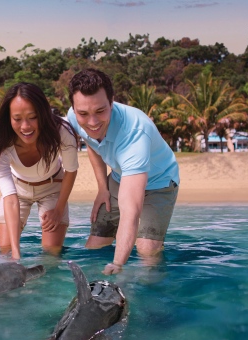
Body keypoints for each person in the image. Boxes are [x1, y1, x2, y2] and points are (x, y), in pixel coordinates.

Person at [67, 69, 180, 275]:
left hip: (159, 183)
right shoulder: (73, 117)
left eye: (100, 111)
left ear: (112, 103)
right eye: (83, 113)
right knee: (94, 244)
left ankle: (152, 297)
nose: (92, 122)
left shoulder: (134, 132)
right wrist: (103, 188)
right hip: (119, 178)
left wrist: (118, 264)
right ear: (74, 109)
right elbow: (92, 145)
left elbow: (130, 212)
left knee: (146, 252)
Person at [0, 82, 79, 260]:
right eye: (17, 118)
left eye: (32, 117)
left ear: (43, 114)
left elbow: (71, 170)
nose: (25, 126)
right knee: (6, 250)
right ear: (8, 118)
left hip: (53, 187)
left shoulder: (61, 132)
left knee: (51, 252)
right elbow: (10, 198)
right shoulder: (0, 143)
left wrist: (58, 210)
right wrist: (15, 253)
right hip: (18, 190)